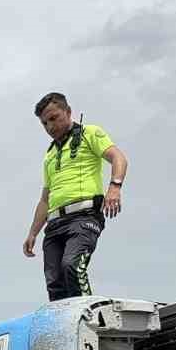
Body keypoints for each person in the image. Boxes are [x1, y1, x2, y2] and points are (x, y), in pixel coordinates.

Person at [21, 92, 130, 301]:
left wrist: (115, 187)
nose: (50, 127)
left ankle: (87, 319)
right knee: (55, 283)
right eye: (45, 123)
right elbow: (45, 198)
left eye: (54, 118)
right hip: (54, 225)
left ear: (68, 111)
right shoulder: (50, 154)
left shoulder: (90, 133)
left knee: (72, 265)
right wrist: (33, 232)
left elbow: (118, 157)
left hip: (83, 217)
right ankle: (62, 329)